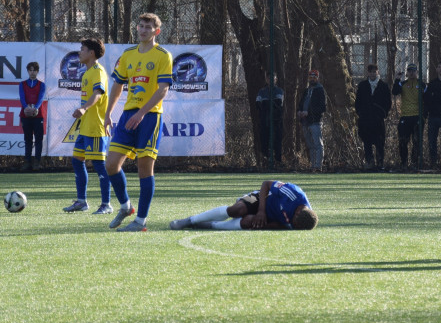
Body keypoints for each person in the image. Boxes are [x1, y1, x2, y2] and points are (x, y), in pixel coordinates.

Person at [103, 13, 174, 232]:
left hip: (150, 116)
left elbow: (162, 90)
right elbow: (117, 86)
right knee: (111, 164)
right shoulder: (128, 55)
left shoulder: (163, 55)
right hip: (128, 115)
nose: (143, 30)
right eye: (141, 26)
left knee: (145, 168)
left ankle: (141, 221)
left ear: (156, 31)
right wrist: (108, 114)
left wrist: (142, 113)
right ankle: (126, 207)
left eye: (148, 27)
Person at [62, 39, 111, 214]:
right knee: (77, 161)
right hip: (85, 128)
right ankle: (81, 201)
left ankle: (106, 204)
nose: (79, 52)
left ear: (91, 53)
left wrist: (83, 108)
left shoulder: (98, 72)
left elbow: (98, 94)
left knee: (99, 165)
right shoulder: (87, 73)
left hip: (96, 128)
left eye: (82, 49)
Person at [169, 180, 318, 231]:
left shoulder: (300, 224)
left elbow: (281, 225)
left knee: (248, 223)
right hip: (261, 198)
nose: (292, 224)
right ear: (298, 212)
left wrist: (261, 224)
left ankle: (211, 225)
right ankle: (190, 220)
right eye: (293, 221)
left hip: (270, 216)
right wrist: (261, 212)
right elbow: (266, 184)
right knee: (237, 210)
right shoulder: (294, 194)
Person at [355, 64, 391, 170]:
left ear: (378, 72)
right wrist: (361, 114)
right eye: (370, 72)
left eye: (374, 71)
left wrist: (383, 114)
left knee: (380, 142)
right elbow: (358, 102)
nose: (372, 73)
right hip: (365, 120)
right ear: (368, 73)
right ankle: (369, 162)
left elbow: (388, 103)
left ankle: (380, 163)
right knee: (367, 142)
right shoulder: (362, 86)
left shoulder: (383, 86)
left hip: (378, 120)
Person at [392, 64, 424, 168]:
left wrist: (424, 115)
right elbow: (395, 91)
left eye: (413, 71)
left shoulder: (422, 84)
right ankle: (404, 162)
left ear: (416, 72)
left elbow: (428, 99)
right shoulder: (403, 84)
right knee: (403, 141)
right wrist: (397, 79)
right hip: (405, 117)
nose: (411, 73)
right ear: (407, 72)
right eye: (409, 71)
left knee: (417, 141)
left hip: (417, 116)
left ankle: (415, 163)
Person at [18, 61, 46, 171]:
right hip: (25, 115)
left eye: (34, 70)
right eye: (30, 70)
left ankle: (37, 162)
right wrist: (26, 108)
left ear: (37, 71)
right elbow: (22, 97)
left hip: (38, 116)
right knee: (28, 139)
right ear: (28, 71)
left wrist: (36, 108)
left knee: (39, 139)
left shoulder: (41, 84)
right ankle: (27, 162)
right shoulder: (22, 84)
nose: (32, 72)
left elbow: (41, 98)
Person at [298, 69, 326, 172]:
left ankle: (318, 166)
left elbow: (322, 108)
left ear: (317, 78)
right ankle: (312, 165)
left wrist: (309, 112)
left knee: (318, 144)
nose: (312, 79)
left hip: (315, 121)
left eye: (314, 77)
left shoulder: (320, 90)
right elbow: (301, 103)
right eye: (311, 77)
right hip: (305, 121)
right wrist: (299, 111)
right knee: (310, 145)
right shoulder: (307, 90)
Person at [255, 76, 284, 166]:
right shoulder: (262, 91)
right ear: (266, 79)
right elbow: (258, 104)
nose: (270, 80)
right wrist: (267, 105)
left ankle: (278, 161)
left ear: (276, 79)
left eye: (273, 78)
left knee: (277, 140)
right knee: (264, 140)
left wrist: (267, 104)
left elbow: (279, 103)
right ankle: (266, 160)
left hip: (276, 120)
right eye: (268, 78)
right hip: (265, 120)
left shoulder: (279, 90)